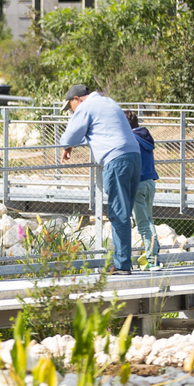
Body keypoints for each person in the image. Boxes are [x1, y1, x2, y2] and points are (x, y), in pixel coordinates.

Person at [58, 84, 141, 275]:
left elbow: (71, 133)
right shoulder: (108, 102)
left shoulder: (86, 107)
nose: (71, 111)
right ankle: (123, 262)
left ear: (76, 99)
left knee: (117, 213)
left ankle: (122, 265)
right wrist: (72, 144)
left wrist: (66, 145)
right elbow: (98, 133)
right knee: (124, 213)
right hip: (134, 158)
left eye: (70, 106)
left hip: (116, 160)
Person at [125, 110, 160, 269]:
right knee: (149, 220)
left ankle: (152, 260)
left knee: (142, 224)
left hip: (137, 184)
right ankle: (154, 256)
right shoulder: (145, 136)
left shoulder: (130, 139)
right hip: (150, 182)